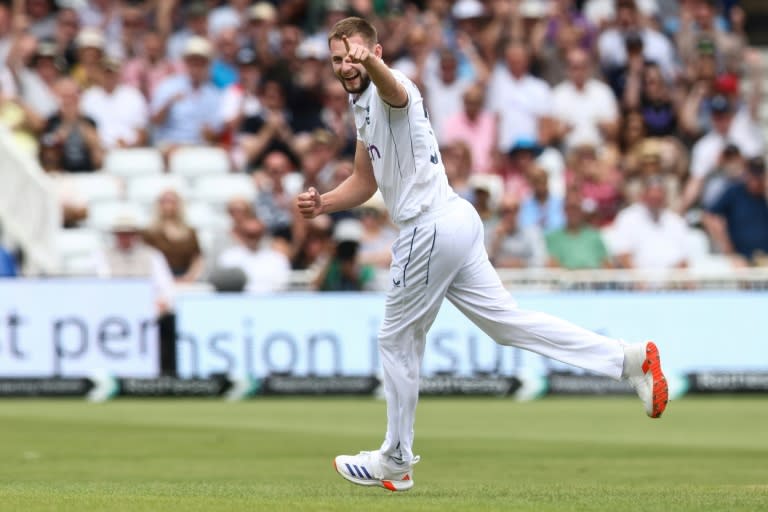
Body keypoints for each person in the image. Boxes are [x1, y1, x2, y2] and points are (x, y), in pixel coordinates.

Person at [296, 16, 668, 493]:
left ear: (376, 51)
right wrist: (324, 203)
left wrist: (374, 65)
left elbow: (397, 92)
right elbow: (366, 181)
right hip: (453, 222)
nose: (345, 65)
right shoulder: (359, 103)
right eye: (337, 59)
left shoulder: (393, 85)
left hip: (429, 227)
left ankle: (395, 458)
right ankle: (630, 359)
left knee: (395, 339)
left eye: (353, 55)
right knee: (506, 325)